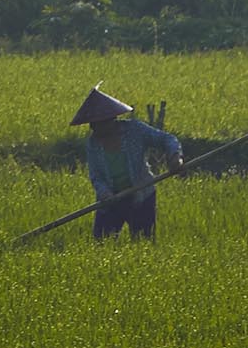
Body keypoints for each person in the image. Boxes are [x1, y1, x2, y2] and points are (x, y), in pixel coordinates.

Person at [72, 87, 183, 241]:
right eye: (92, 124)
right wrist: (105, 193)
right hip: (110, 201)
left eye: (97, 124)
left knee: (143, 243)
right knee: (101, 243)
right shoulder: (93, 144)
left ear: (110, 120)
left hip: (142, 195)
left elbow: (167, 139)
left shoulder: (134, 130)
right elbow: (96, 176)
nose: (93, 128)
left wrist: (175, 157)